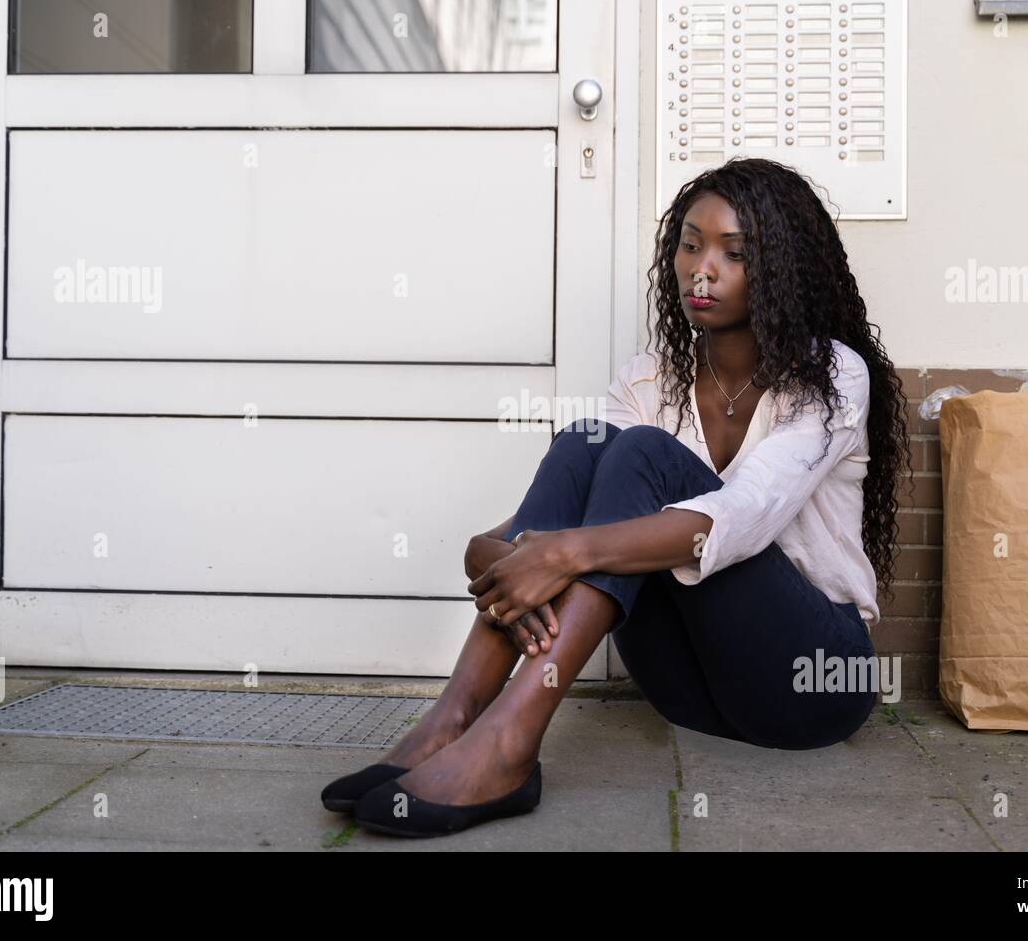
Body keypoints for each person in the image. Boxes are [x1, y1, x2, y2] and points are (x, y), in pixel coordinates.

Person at [323, 157, 911, 837]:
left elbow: (745, 516)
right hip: (688, 692)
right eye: (690, 244)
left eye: (734, 252)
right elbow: (544, 523)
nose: (702, 268)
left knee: (638, 455)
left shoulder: (831, 376)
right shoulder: (649, 381)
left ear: (782, 267)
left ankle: (509, 744)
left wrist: (560, 554)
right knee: (589, 441)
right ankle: (456, 718)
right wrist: (497, 552)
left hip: (807, 682)